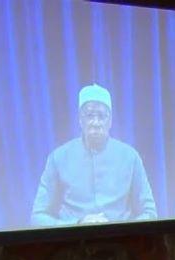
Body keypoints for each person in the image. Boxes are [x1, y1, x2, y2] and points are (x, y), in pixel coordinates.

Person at [31, 84, 156, 226]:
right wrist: (77, 224)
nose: (96, 123)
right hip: (73, 238)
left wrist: (120, 228)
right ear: (80, 119)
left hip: (121, 237)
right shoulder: (58, 158)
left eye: (102, 116)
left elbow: (150, 213)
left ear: (110, 121)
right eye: (90, 115)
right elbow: (37, 217)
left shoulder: (130, 157)